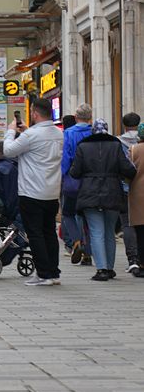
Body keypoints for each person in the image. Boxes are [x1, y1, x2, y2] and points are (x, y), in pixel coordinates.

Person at [2, 97, 64, 286]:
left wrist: (11, 132)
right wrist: (27, 131)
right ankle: (52, 272)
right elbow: (39, 142)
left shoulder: (31, 136)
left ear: (35, 113)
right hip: (52, 191)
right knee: (49, 232)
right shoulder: (58, 133)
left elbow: (8, 151)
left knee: (35, 233)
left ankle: (43, 273)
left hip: (31, 192)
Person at [69, 119, 137, 281]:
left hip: (89, 192)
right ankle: (110, 267)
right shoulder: (115, 146)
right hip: (112, 191)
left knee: (96, 231)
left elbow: (75, 172)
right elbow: (128, 169)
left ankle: (101, 269)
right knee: (109, 232)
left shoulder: (83, 147)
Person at [62, 104, 93, 264]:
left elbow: (65, 158)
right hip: (92, 181)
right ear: (90, 118)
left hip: (73, 181)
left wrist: (62, 175)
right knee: (88, 215)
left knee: (68, 213)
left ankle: (76, 241)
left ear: (75, 117)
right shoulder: (93, 132)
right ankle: (88, 253)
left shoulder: (68, 133)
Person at [118, 112, 141, 273]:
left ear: (124, 125)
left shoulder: (118, 142)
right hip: (142, 190)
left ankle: (132, 258)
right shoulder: (140, 143)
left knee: (127, 224)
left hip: (126, 189)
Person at [128, 125, 144, 278]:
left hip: (139, 195)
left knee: (140, 232)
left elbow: (128, 171)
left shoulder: (134, 150)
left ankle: (142, 264)